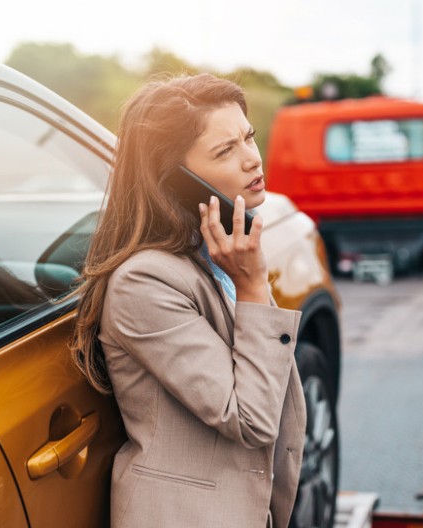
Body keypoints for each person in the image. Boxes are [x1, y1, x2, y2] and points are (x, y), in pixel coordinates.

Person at [70, 74, 306, 527]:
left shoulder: (217, 251)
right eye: (224, 151)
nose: (252, 159)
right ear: (175, 180)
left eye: (248, 137)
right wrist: (254, 287)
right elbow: (252, 419)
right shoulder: (144, 282)